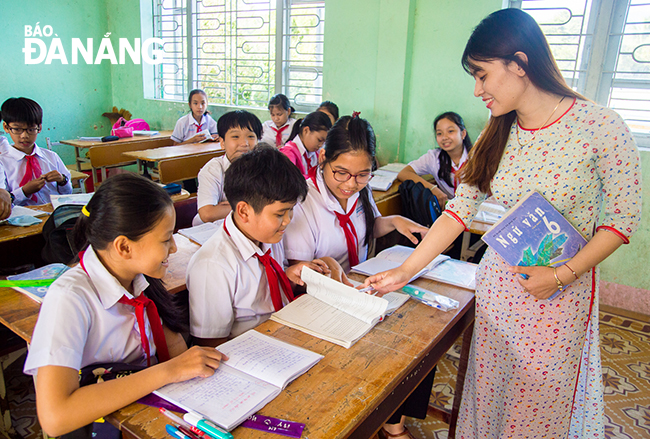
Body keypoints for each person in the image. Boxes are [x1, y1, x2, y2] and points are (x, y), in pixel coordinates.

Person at [363, 8, 641, 439]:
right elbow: (460, 210)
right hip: (499, 291)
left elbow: (623, 219)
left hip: (559, 296)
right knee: (489, 400)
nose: (476, 90)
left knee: (539, 408)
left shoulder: (600, 126)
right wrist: (404, 270)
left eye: (481, 75)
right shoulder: (498, 131)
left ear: (518, 63)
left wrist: (561, 275)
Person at [23, 174, 226, 438]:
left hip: (146, 409)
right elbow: (55, 417)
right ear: (123, 246)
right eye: (166, 240)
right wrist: (168, 371)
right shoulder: (69, 298)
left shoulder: (139, 278)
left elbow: (174, 347)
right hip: (102, 425)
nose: (174, 248)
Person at [187, 146, 343, 347]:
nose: (287, 221)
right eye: (280, 214)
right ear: (244, 211)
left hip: (288, 333)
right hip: (252, 354)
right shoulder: (212, 265)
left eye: (291, 210)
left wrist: (288, 275)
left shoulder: (267, 235)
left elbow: (262, 289)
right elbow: (211, 345)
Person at [283, 114, 430, 275]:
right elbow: (301, 274)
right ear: (323, 157)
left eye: (362, 174)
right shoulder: (303, 202)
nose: (351, 184)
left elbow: (368, 227)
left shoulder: (362, 189)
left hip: (359, 283)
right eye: (341, 172)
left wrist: (395, 221)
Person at [193, 110, 262, 225]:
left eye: (250, 136)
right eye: (235, 136)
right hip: (210, 230)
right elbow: (208, 214)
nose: (244, 143)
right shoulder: (213, 170)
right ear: (222, 142)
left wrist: (225, 206)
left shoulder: (263, 167)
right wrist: (254, 205)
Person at [0, 97, 72, 205]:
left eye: (31, 129)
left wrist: (63, 181)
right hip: (20, 219)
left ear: (39, 128)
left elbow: (68, 193)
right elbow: (3, 203)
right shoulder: (2, 162)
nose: (24, 136)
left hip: (54, 215)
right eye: (17, 129)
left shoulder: (51, 157)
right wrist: (24, 192)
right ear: (6, 127)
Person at [397, 111, 473, 208]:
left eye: (450, 131)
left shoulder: (478, 157)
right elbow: (403, 173)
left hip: (480, 213)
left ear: (463, 134)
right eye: (439, 133)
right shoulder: (434, 157)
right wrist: (433, 188)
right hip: (449, 212)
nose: (444, 137)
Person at [279, 111, 332, 178]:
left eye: (324, 142)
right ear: (306, 131)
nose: (321, 145)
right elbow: (290, 179)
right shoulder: (288, 152)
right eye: (319, 140)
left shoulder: (315, 153)